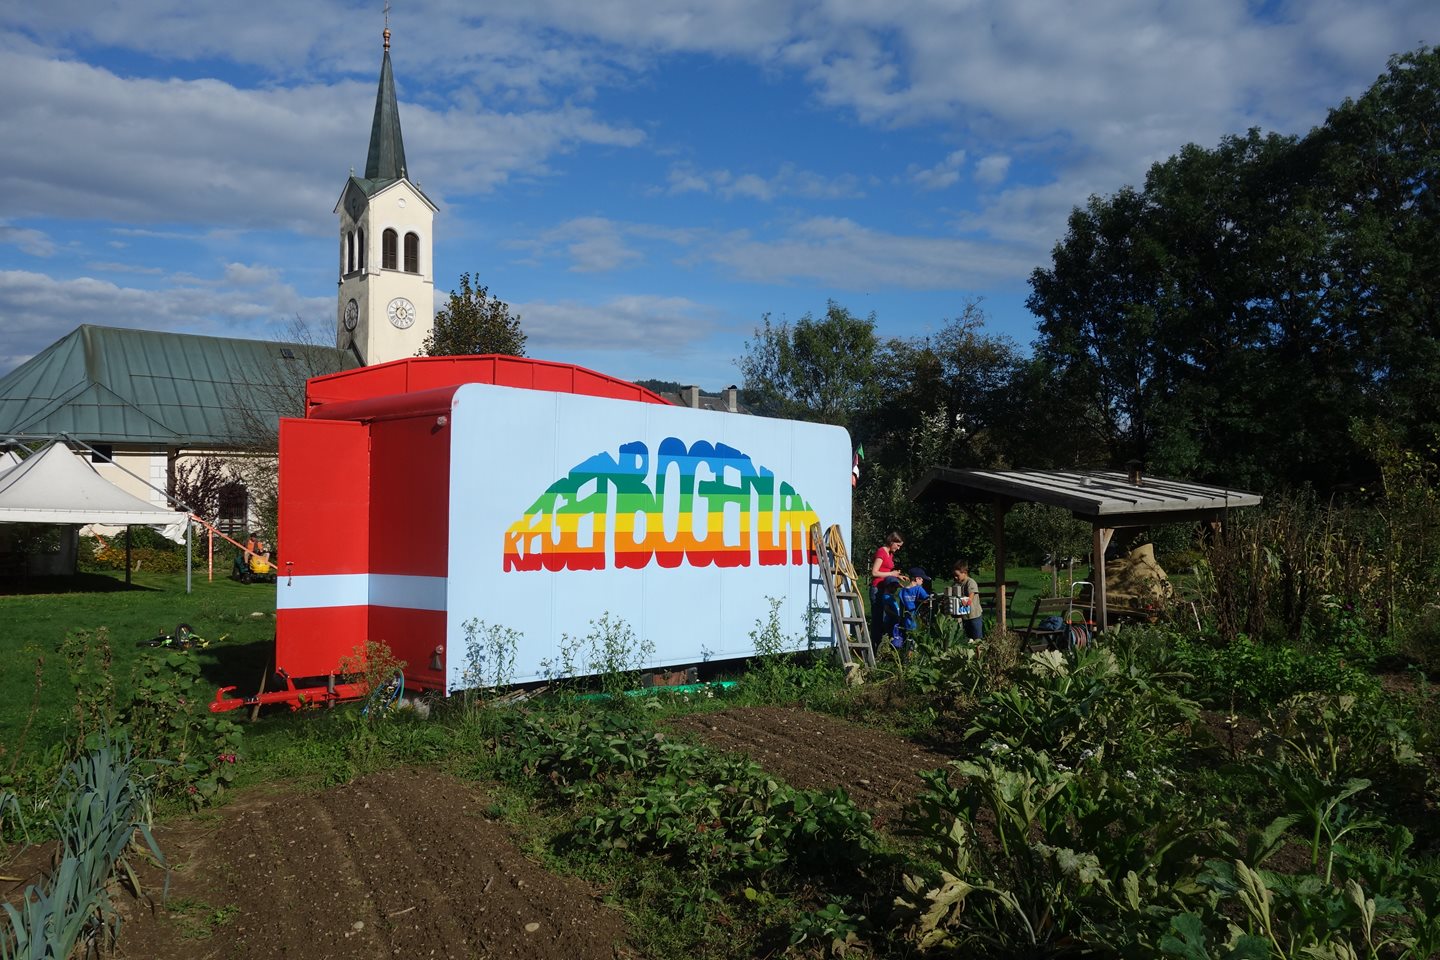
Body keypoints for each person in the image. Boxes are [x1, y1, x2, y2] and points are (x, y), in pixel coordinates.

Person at [869, 532, 908, 640]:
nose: (899, 548)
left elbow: (885, 572)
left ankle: (882, 641)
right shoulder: (881, 552)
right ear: (892, 542)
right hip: (877, 589)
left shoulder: (890, 554)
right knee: (877, 618)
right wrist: (892, 574)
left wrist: (897, 577)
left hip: (884, 588)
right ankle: (874, 645)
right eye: (898, 545)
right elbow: (875, 572)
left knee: (885, 617)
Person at [948, 561, 983, 640]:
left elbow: (972, 594)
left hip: (974, 616)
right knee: (967, 639)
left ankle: (980, 652)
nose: (955, 578)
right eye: (954, 576)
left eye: (957, 575)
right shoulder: (956, 584)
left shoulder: (970, 582)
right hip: (964, 617)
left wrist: (967, 601)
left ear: (965, 572)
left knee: (977, 639)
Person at [899, 566, 931, 636]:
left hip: (907, 620)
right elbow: (928, 599)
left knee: (908, 639)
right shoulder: (918, 589)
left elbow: (901, 607)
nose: (922, 581)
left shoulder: (902, 591)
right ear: (917, 579)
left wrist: (901, 618)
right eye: (922, 579)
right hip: (917, 620)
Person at [875, 577, 906, 650]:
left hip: (893, 620)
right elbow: (887, 609)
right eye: (894, 587)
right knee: (891, 637)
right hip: (890, 621)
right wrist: (896, 616)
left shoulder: (890, 596)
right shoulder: (886, 597)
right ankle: (888, 651)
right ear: (888, 586)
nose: (896, 589)